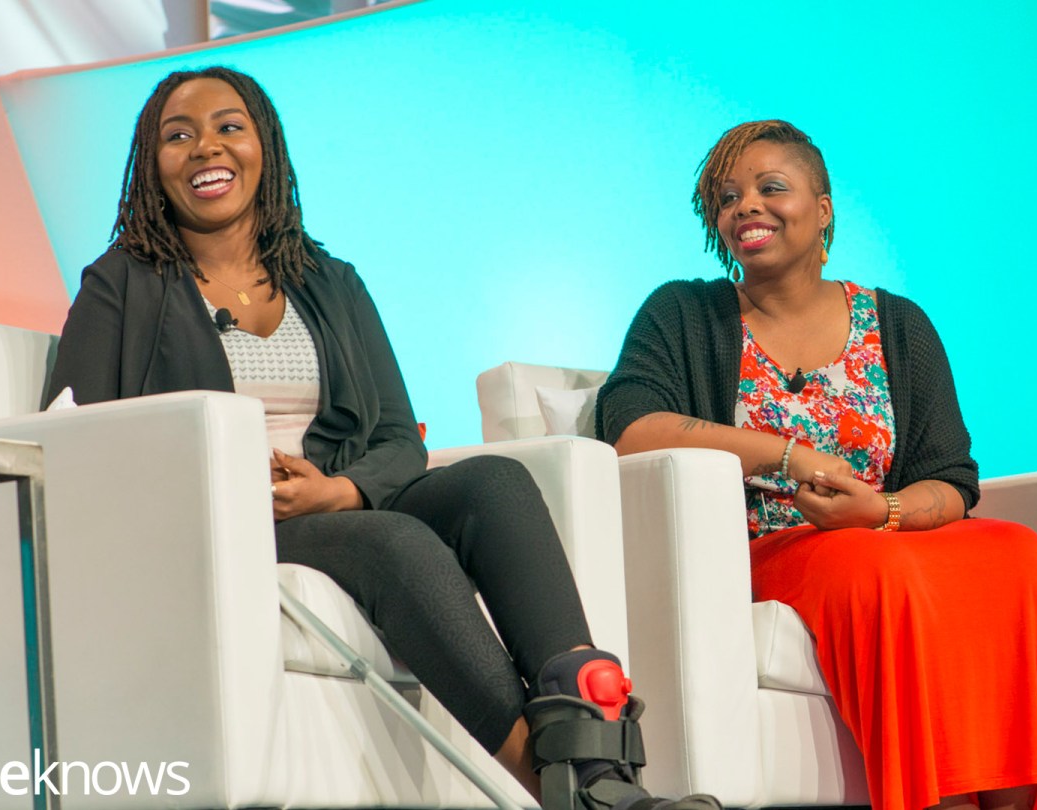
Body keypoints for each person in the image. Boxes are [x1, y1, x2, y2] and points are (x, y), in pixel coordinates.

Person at [46, 65, 716, 810]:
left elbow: (399, 436)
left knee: (496, 483)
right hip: (227, 522)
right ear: (151, 164)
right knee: (396, 541)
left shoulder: (330, 281)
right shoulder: (120, 284)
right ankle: (574, 793)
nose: (207, 148)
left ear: (265, 146)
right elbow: (74, 436)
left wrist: (338, 490)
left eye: (229, 127)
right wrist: (220, 484)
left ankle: (603, 763)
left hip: (336, 501)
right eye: (178, 135)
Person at [595, 120, 1037, 810]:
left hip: (876, 530)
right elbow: (630, 428)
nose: (746, 207)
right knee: (876, 570)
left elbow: (950, 478)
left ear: (823, 208)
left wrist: (881, 511)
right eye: (729, 196)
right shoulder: (684, 313)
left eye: (771, 187)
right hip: (768, 546)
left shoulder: (897, 325)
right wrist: (789, 455)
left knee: (1019, 552)